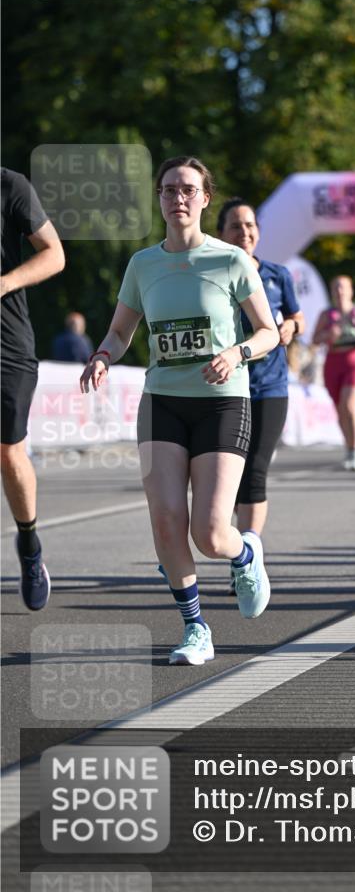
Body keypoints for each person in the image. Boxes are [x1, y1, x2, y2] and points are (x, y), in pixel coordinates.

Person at [80, 156, 279, 666]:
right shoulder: (143, 264)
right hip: (162, 401)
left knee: (210, 534)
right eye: (168, 190)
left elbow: (269, 331)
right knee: (167, 521)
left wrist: (237, 352)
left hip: (222, 402)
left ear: (205, 198)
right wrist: (103, 355)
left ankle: (245, 553)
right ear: (160, 199)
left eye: (188, 189)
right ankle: (195, 628)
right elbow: (123, 332)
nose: (178, 198)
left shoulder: (232, 260)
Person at [217, 197, 305, 590]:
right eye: (235, 226)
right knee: (227, 476)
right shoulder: (212, 276)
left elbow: (296, 315)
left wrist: (289, 327)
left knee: (254, 469)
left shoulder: (277, 274)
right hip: (226, 389)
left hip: (269, 387)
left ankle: (247, 558)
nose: (245, 233)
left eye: (250, 225)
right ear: (221, 234)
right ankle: (239, 550)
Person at [1, 168, 65, 612]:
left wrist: (4, 283)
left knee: (8, 452)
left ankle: (29, 545)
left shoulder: (10, 186)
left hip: (7, 345)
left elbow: (55, 255)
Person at [312, 275, 355, 473]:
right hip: (333, 361)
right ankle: (349, 448)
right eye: (336, 288)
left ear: (351, 291)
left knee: (348, 405)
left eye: (343, 288)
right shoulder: (327, 314)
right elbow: (315, 339)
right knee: (340, 409)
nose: (340, 292)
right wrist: (327, 335)